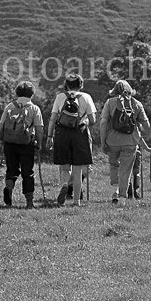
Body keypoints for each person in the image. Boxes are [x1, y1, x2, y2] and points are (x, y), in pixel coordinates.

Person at [46, 74, 97, 207]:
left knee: (64, 167)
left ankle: (64, 185)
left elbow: (53, 118)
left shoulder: (60, 97)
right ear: (81, 85)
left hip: (62, 133)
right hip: (79, 133)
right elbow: (93, 120)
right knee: (77, 170)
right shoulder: (86, 97)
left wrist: (49, 136)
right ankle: (76, 201)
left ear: (66, 85)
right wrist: (85, 120)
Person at [100, 80, 150, 206]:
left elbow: (103, 122)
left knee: (114, 165)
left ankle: (115, 191)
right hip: (130, 141)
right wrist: (138, 125)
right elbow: (146, 125)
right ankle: (122, 199)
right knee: (126, 169)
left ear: (114, 90)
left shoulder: (110, 102)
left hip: (112, 141)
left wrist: (102, 142)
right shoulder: (136, 104)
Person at [0, 81, 44, 209]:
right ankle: (29, 203)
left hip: (9, 142)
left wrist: (1, 140)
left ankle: (9, 187)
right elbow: (39, 128)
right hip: (26, 143)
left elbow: (1, 125)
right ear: (32, 94)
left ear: (17, 93)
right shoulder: (34, 108)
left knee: (11, 169)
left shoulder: (10, 106)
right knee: (27, 172)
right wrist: (39, 143)